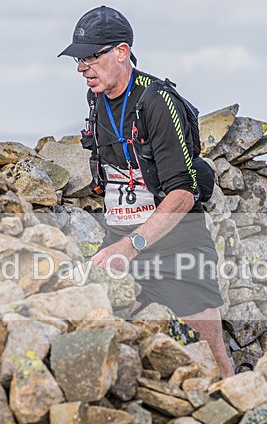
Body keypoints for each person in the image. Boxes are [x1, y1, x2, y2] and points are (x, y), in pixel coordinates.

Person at [59, 5, 234, 378]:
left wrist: (131, 245)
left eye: (91, 56)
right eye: (78, 59)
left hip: (176, 247)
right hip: (120, 238)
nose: (81, 67)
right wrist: (119, 244)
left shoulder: (157, 101)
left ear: (121, 52)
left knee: (212, 358)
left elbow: (184, 193)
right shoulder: (96, 98)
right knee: (122, 349)